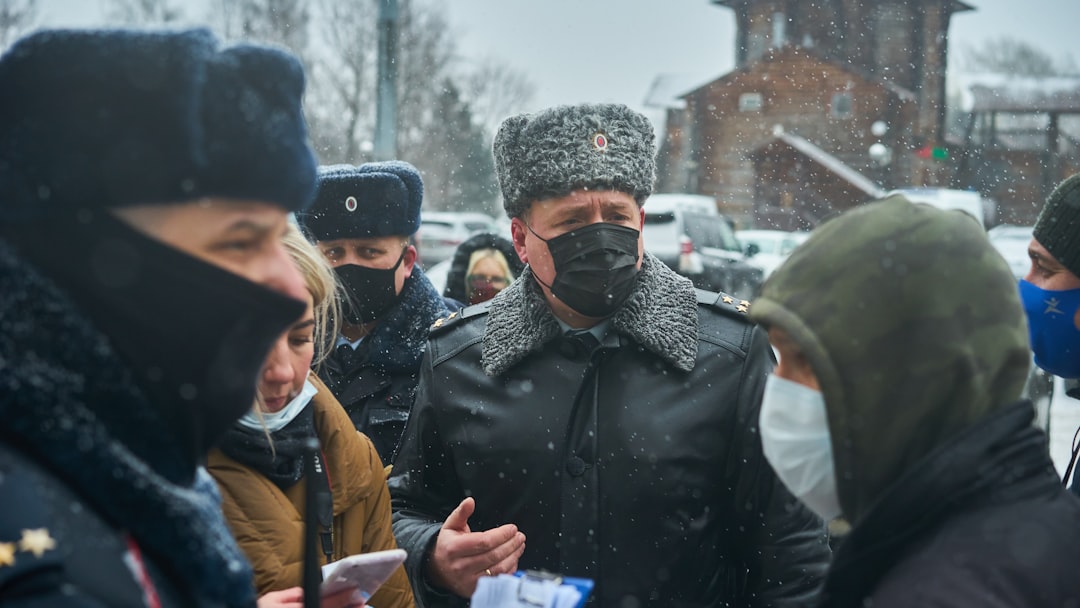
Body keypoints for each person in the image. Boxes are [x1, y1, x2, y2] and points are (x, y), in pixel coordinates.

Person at [389, 103, 830, 606]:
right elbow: (404, 509)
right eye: (573, 220)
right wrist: (431, 553)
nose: (600, 237)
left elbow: (791, 549)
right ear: (521, 240)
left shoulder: (728, 353)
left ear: (640, 222)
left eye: (617, 216)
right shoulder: (458, 359)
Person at [0, 27, 361, 607]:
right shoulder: (36, 556)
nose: (294, 291)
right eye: (241, 240)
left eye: (280, 237)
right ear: (91, 259)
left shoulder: (123, 467)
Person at [748, 196, 1080, 607]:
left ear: (903, 377)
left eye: (804, 362)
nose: (779, 387)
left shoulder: (955, 590)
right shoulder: (980, 542)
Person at [208, 225, 415, 607]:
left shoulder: (356, 459)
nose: (282, 371)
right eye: (255, 341)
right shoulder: (153, 463)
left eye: (299, 339)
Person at [297, 163, 452, 467]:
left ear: (407, 262)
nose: (350, 265)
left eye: (369, 252)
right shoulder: (287, 345)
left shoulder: (446, 348)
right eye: (333, 253)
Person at [442, 232, 523, 305]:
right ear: (465, 281)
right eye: (480, 277)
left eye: (496, 279)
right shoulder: (451, 314)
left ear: (510, 281)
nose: (488, 285)